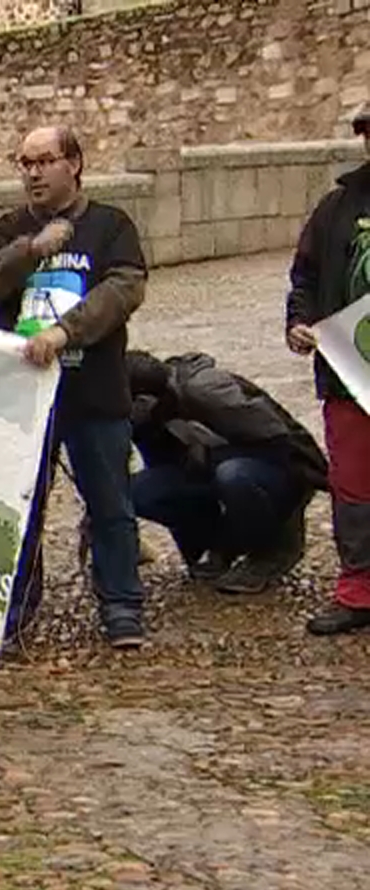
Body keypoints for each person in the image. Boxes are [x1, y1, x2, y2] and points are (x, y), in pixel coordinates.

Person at [0, 125, 149, 650]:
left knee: (111, 504)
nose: (33, 172)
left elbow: (123, 289)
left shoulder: (111, 225)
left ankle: (121, 606)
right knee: (21, 508)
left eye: (44, 161)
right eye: (24, 162)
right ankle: (16, 610)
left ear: (74, 162)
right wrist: (31, 250)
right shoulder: (8, 228)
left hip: (93, 389)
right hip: (24, 396)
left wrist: (66, 331)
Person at [125, 350, 325, 594]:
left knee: (233, 475)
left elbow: (279, 440)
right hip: (212, 470)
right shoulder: (147, 413)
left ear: (144, 398)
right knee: (134, 491)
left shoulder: (207, 391)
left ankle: (271, 552)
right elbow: (160, 467)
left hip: (275, 468)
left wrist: (209, 456)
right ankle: (212, 546)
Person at [287, 103, 370, 635]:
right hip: (349, 372)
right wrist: (299, 322)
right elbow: (306, 276)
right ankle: (358, 589)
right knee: (356, 486)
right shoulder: (336, 207)